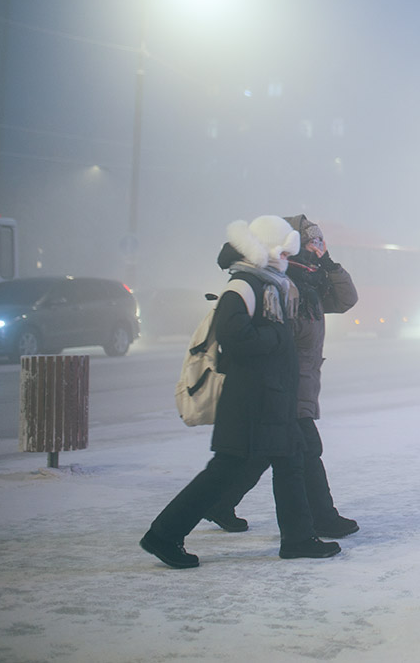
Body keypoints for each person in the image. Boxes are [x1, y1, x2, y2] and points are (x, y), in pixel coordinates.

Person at [141, 216, 341, 567]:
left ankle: (298, 538)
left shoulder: (269, 283)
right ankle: (163, 535)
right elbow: (233, 337)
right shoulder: (244, 286)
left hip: (272, 397)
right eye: (281, 250)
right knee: (223, 472)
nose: (285, 257)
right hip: (251, 401)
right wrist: (277, 338)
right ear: (263, 249)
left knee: (291, 462)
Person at [204, 215, 362, 537]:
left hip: (300, 384)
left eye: (321, 243)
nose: (318, 249)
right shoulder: (283, 286)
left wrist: (329, 262)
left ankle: (219, 503)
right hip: (285, 386)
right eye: (312, 243)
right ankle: (321, 519)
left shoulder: (313, 286)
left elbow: (347, 299)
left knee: (265, 454)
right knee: (305, 451)